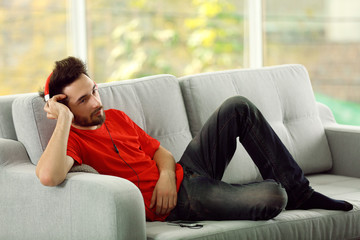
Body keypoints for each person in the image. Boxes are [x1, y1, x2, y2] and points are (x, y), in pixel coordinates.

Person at [37, 56, 353, 222]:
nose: (96, 102)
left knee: (237, 107)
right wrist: (63, 120)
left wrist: (164, 176)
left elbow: (160, 153)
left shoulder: (117, 117)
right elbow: (49, 176)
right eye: (83, 100)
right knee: (273, 198)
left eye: (94, 90)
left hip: (185, 172)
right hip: (183, 204)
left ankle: (300, 190)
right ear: (62, 104)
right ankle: (262, 193)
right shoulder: (72, 143)